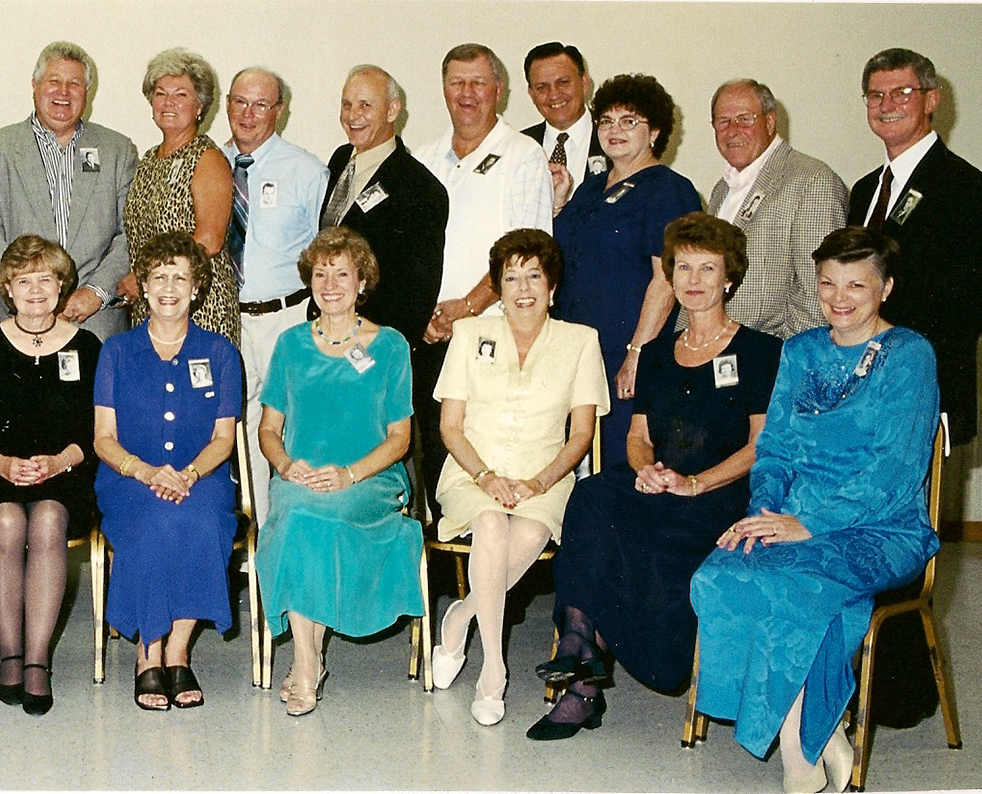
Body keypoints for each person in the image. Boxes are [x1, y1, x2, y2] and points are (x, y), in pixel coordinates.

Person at [691, 226, 940, 793]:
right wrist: (766, 510)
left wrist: (808, 523)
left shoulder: (909, 355)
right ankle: (825, 734)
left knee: (792, 587)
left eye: (856, 284)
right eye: (828, 283)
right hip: (791, 514)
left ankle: (796, 756)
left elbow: (893, 471)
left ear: (887, 287)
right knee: (720, 572)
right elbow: (774, 446)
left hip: (882, 525)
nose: (839, 297)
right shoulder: (801, 349)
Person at [529, 213, 782, 741]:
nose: (692, 279)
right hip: (663, 479)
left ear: (729, 277)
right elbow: (637, 437)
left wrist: (694, 483)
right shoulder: (658, 354)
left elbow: (761, 447)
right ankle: (578, 651)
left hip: (720, 491)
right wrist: (647, 471)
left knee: (642, 537)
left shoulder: (760, 351)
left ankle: (584, 677)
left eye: (706, 268)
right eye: (682, 266)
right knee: (596, 495)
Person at [429, 229, 608, 727]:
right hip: (472, 474)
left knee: (527, 531)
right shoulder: (469, 335)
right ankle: (493, 671)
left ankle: (462, 616)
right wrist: (486, 477)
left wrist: (538, 482)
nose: (523, 288)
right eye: (511, 277)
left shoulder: (580, 341)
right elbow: (450, 426)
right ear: (498, 287)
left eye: (534, 275)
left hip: (544, 480)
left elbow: (580, 437)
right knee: (489, 522)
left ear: (552, 286)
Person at [254, 227, 422, 718]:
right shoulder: (290, 344)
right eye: (320, 273)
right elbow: (269, 430)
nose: (330, 284)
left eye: (342, 273)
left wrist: (348, 475)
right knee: (302, 514)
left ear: (362, 281)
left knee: (313, 520)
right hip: (300, 478)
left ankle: (305, 667)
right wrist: (286, 465)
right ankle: (310, 661)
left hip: (370, 481)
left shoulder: (389, 346)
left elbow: (400, 439)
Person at [0, 234, 101, 716]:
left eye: (46, 279)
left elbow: (95, 430)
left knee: (51, 519)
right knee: (11, 522)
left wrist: (58, 462)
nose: (35, 289)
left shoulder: (88, 346)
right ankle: (9, 652)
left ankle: (38, 660)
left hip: (67, 468)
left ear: (61, 286)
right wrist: (1, 463)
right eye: (23, 280)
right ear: (7, 289)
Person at [93, 231, 242, 711]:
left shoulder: (221, 354)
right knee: (154, 521)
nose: (169, 287)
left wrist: (189, 476)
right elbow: (102, 439)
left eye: (180, 277)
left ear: (197, 287)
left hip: (202, 479)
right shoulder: (115, 351)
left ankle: (177, 651)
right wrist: (146, 472)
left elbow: (224, 439)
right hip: (128, 479)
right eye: (159, 277)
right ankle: (148, 652)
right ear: (144, 285)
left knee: (200, 521)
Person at [847, 47, 982, 447]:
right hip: (859, 399)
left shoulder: (968, 190)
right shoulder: (866, 191)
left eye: (902, 92)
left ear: (931, 99)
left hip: (921, 396)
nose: (887, 105)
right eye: (875, 95)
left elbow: (965, 311)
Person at [550, 73, 702, 472]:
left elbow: (667, 279)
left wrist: (638, 354)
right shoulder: (589, 187)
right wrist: (559, 204)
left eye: (629, 121)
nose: (614, 130)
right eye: (606, 121)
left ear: (654, 131)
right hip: (576, 349)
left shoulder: (669, 189)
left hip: (624, 351)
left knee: (618, 463)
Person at [322, 64, 448, 498]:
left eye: (366, 105)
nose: (353, 115)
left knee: (373, 469)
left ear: (393, 109)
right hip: (325, 340)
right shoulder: (341, 160)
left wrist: (364, 351)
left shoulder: (420, 188)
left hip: (369, 355)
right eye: (346, 103)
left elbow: (417, 294)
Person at [0, 41, 138, 341]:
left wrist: (95, 292)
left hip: (97, 321)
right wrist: (32, 293)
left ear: (87, 92)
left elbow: (129, 234)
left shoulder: (118, 151)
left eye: (74, 84)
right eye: (54, 82)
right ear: (34, 86)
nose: (63, 92)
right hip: (22, 320)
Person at [220, 66, 328, 517]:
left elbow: (325, 251)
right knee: (236, 433)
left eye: (261, 104)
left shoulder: (306, 169)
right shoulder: (209, 165)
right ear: (226, 104)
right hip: (226, 317)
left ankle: (285, 537)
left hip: (287, 317)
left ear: (279, 112)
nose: (248, 114)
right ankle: (254, 542)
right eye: (240, 101)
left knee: (288, 429)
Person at [413, 44, 553, 354]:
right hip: (426, 335)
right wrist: (419, 315)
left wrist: (468, 306)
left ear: (499, 90)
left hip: (494, 334)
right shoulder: (421, 159)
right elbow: (409, 252)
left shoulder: (525, 155)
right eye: (457, 82)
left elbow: (527, 251)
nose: (467, 93)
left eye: (478, 82)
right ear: (444, 89)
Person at [703, 79, 846, 338]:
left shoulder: (811, 180)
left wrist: (784, 360)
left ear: (770, 122)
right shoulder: (722, 188)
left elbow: (818, 293)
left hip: (770, 358)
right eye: (723, 121)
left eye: (745, 119)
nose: (732, 130)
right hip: (719, 353)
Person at [123, 48, 239, 342]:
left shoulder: (207, 158)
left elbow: (209, 241)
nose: (169, 103)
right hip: (152, 303)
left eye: (181, 95)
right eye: (161, 94)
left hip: (197, 305)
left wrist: (146, 277)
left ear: (200, 105)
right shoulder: (149, 159)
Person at [520, 42, 606, 194]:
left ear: (584, 82)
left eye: (563, 83)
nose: (554, 95)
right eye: (542, 87)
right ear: (531, 94)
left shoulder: (614, 138)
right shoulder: (518, 146)